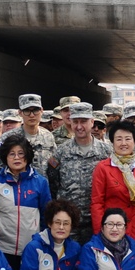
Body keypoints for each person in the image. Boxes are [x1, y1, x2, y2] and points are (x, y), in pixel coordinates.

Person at [0, 137, 52, 270]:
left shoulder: (40, 182)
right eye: (11, 154)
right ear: (5, 157)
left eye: (21, 153)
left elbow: (46, 216)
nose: (16, 158)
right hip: (2, 248)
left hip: (32, 248)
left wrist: (41, 241)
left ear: (28, 156)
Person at [47, 102, 111, 244]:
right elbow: (53, 182)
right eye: (75, 122)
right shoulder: (61, 152)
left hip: (96, 222)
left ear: (92, 122)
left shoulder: (106, 152)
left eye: (84, 121)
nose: (79, 126)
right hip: (69, 224)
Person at [91, 120, 135, 247]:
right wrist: (99, 232)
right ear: (112, 142)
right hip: (112, 230)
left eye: (128, 139)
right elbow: (97, 203)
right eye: (119, 139)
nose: (123, 143)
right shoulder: (103, 168)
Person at [0, 94, 57, 179]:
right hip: (16, 187)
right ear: (20, 113)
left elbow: (54, 162)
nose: (32, 115)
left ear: (41, 111)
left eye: (35, 110)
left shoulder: (48, 136)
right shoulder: (7, 137)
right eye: (27, 111)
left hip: (41, 188)